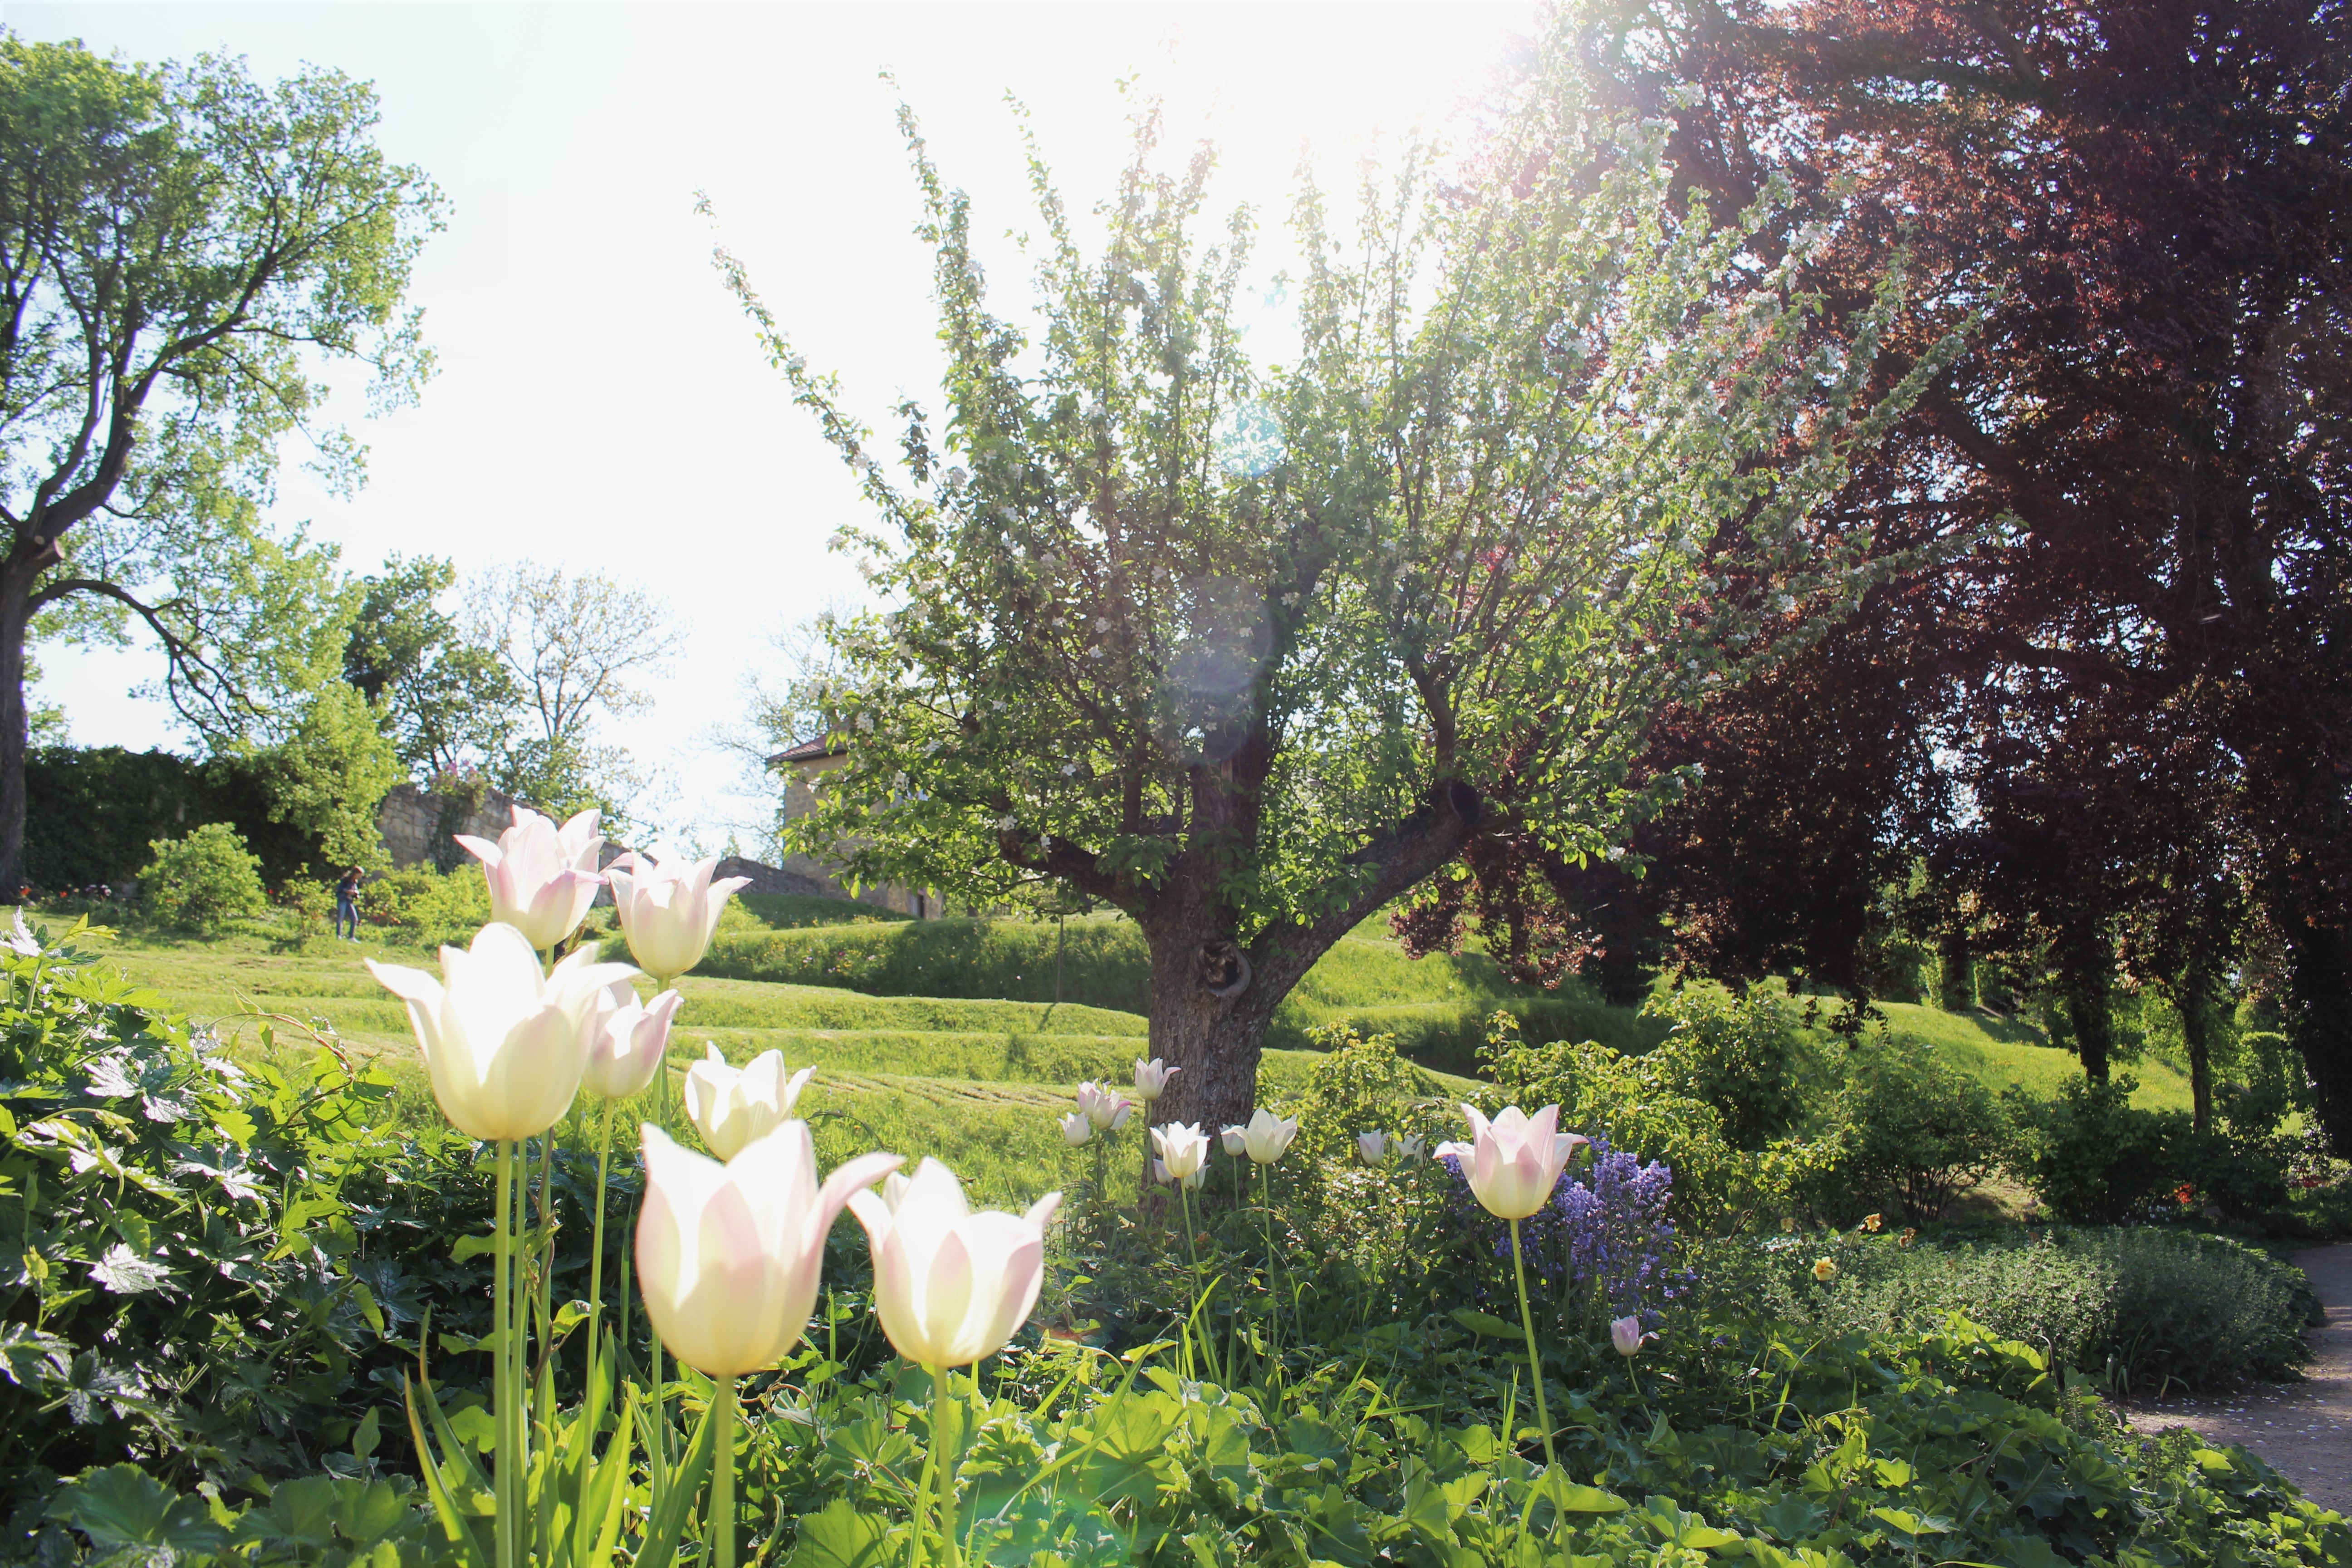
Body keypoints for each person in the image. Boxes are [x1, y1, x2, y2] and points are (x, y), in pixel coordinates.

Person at [333, 866, 363, 941]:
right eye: (360, 875)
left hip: (350, 902)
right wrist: (348, 891)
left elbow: (356, 892)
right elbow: (340, 889)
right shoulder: (346, 880)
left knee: (354, 919)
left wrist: (356, 894)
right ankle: (339, 935)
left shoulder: (354, 882)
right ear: (355, 874)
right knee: (341, 917)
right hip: (343, 900)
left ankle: (351, 937)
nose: (360, 877)